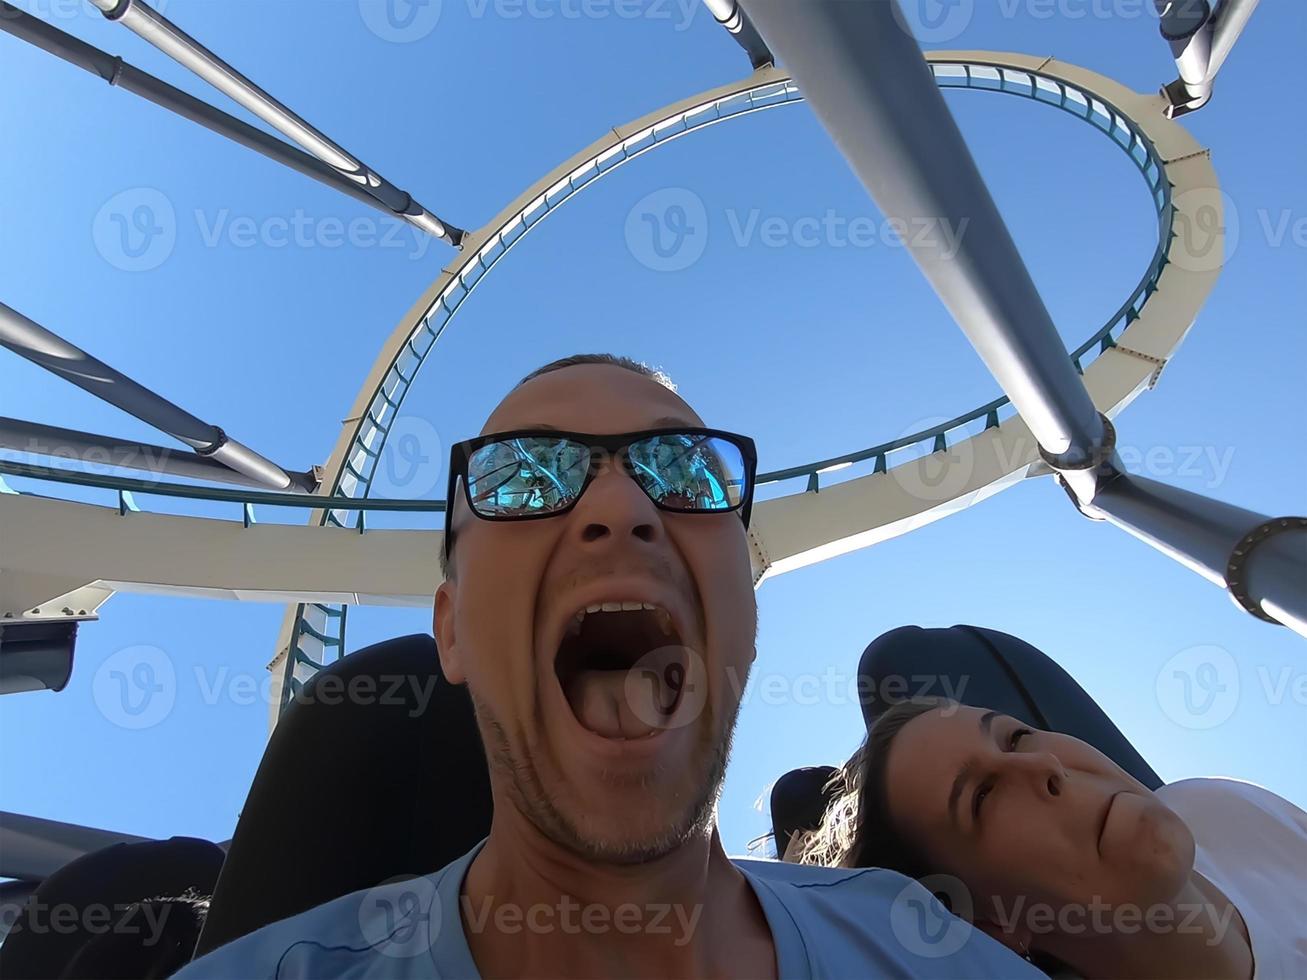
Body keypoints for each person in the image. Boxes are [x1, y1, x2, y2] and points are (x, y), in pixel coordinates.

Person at [177, 355, 1040, 978]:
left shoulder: (920, 942)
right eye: (523, 480)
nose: (621, 508)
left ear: (745, 609)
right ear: (452, 633)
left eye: (681, 472)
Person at [796, 696, 1307, 979]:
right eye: (983, 797)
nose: (1044, 764)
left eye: (1016, 737)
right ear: (993, 925)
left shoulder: (1219, 808)